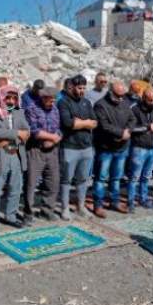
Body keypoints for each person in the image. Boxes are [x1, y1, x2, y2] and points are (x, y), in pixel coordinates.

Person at [0, 85, 30, 232]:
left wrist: (11, 136)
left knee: (16, 187)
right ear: (1, 97)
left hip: (15, 152)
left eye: (14, 98)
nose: (10, 101)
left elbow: (27, 130)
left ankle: (11, 216)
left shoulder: (17, 110)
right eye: (7, 98)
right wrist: (16, 134)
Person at [92, 80, 135, 217]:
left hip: (122, 147)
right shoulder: (100, 105)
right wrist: (120, 133)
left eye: (123, 95)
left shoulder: (125, 103)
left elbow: (132, 119)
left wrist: (128, 130)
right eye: (118, 95)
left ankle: (114, 201)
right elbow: (104, 126)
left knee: (116, 177)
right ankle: (98, 204)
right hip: (106, 148)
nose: (121, 98)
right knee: (101, 178)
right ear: (110, 92)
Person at [57, 75, 97, 220]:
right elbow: (68, 124)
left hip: (86, 147)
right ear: (71, 87)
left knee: (83, 179)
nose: (82, 91)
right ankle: (65, 208)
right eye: (79, 88)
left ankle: (81, 207)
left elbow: (94, 122)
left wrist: (81, 122)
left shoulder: (87, 102)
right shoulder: (63, 103)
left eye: (84, 88)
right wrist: (84, 123)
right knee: (66, 180)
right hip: (69, 147)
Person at [24, 86, 63, 224]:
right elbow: (34, 130)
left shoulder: (55, 110)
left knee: (53, 182)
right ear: (43, 98)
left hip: (52, 150)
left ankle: (47, 211)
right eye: (50, 100)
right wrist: (52, 137)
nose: (52, 103)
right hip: (36, 150)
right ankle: (28, 214)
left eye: (54, 100)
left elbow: (58, 128)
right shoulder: (32, 109)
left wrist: (56, 137)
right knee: (31, 183)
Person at [127, 89, 153, 212]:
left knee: (147, 176)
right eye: (150, 100)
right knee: (134, 176)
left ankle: (143, 198)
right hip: (139, 147)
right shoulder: (135, 109)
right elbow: (131, 128)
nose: (152, 102)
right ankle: (131, 201)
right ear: (143, 98)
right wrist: (147, 127)